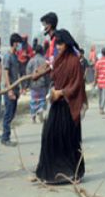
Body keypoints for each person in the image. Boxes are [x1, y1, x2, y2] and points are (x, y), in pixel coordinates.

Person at [36, 29, 87, 184]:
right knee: (49, 136)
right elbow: (54, 75)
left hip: (69, 105)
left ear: (67, 43)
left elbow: (77, 84)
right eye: (56, 43)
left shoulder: (74, 61)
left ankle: (73, 173)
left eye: (61, 43)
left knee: (69, 140)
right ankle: (50, 174)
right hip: (56, 105)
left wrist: (62, 92)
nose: (58, 46)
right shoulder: (58, 59)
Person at [0, 33, 23, 146]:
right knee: (8, 114)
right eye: (19, 44)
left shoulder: (15, 56)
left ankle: (5, 136)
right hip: (10, 90)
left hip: (16, 89)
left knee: (12, 114)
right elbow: (6, 73)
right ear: (15, 43)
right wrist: (9, 90)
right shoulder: (8, 56)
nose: (20, 46)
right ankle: (5, 138)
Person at [27, 43, 50, 122]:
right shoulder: (45, 61)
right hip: (42, 84)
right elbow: (47, 74)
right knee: (42, 99)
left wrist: (27, 84)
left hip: (33, 85)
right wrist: (48, 84)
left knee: (33, 100)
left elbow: (28, 72)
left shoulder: (31, 61)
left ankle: (33, 117)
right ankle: (40, 110)